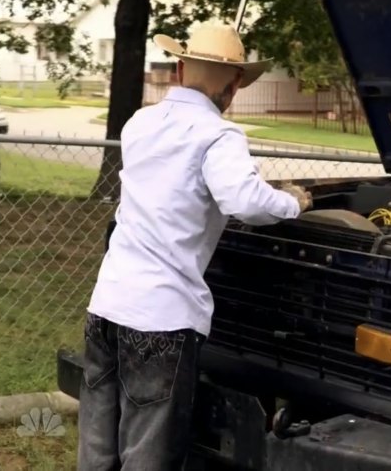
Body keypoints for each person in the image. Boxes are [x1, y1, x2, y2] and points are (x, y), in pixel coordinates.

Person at [76, 23, 312, 471]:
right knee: (149, 456)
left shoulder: (139, 124)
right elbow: (244, 201)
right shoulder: (219, 137)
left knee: (98, 449)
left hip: (106, 308)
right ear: (236, 83)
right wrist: (292, 202)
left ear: (180, 68)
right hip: (161, 319)